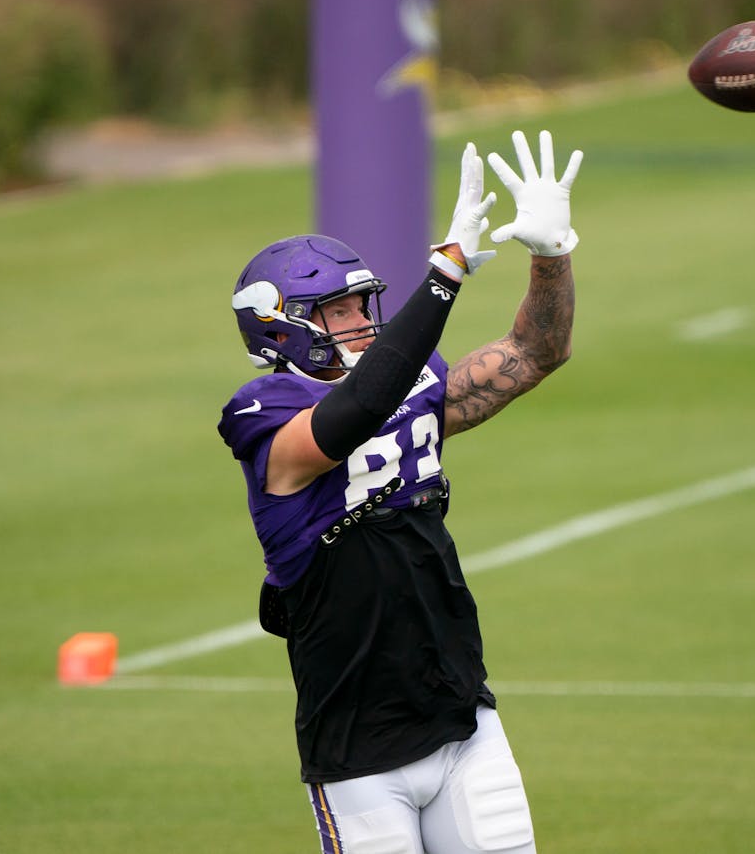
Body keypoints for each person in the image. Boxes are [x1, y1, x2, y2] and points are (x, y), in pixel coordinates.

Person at [217, 131, 583, 854]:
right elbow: (354, 411)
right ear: (281, 326)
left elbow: (537, 352)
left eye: (363, 304)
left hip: (460, 715)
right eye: (339, 310)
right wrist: (443, 274)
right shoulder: (263, 415)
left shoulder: (408, 384)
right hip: (359, 749)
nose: (361, 320)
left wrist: (551, 256)